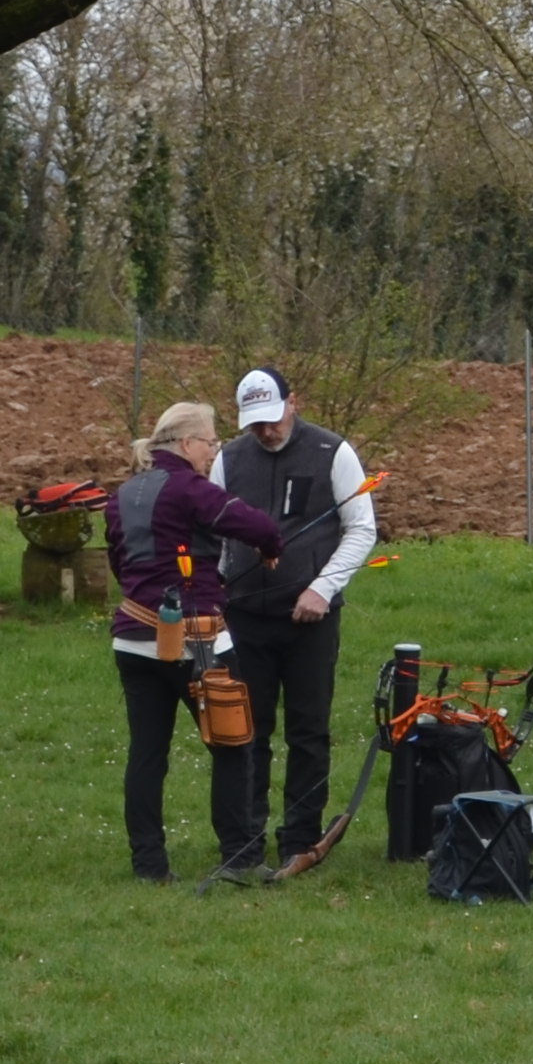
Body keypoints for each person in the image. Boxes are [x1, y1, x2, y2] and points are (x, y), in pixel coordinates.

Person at [106, 400, 295, 884]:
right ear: (187, 444)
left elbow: (119, 561)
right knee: (234, 746)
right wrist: (271, 548)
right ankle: (240, 857)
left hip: (132, 639)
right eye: (210, 442)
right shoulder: (191, 488)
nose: (213, 452)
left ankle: (149, 866)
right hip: (197, 645)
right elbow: (260, 527)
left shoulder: (123, 493)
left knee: (147, 755)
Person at [215, 367, 380, 877]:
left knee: (308, 730)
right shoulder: (228, 459)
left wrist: (321, 589)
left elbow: (361, 529)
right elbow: (217, 529)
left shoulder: (334, 453)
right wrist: (219, 588)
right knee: (249, 730)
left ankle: (300, 838)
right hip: (245, 615)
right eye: (255, 424)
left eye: (272, 418)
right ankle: (245, 839)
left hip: (310, 619)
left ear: (293, 402)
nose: (266, 431)